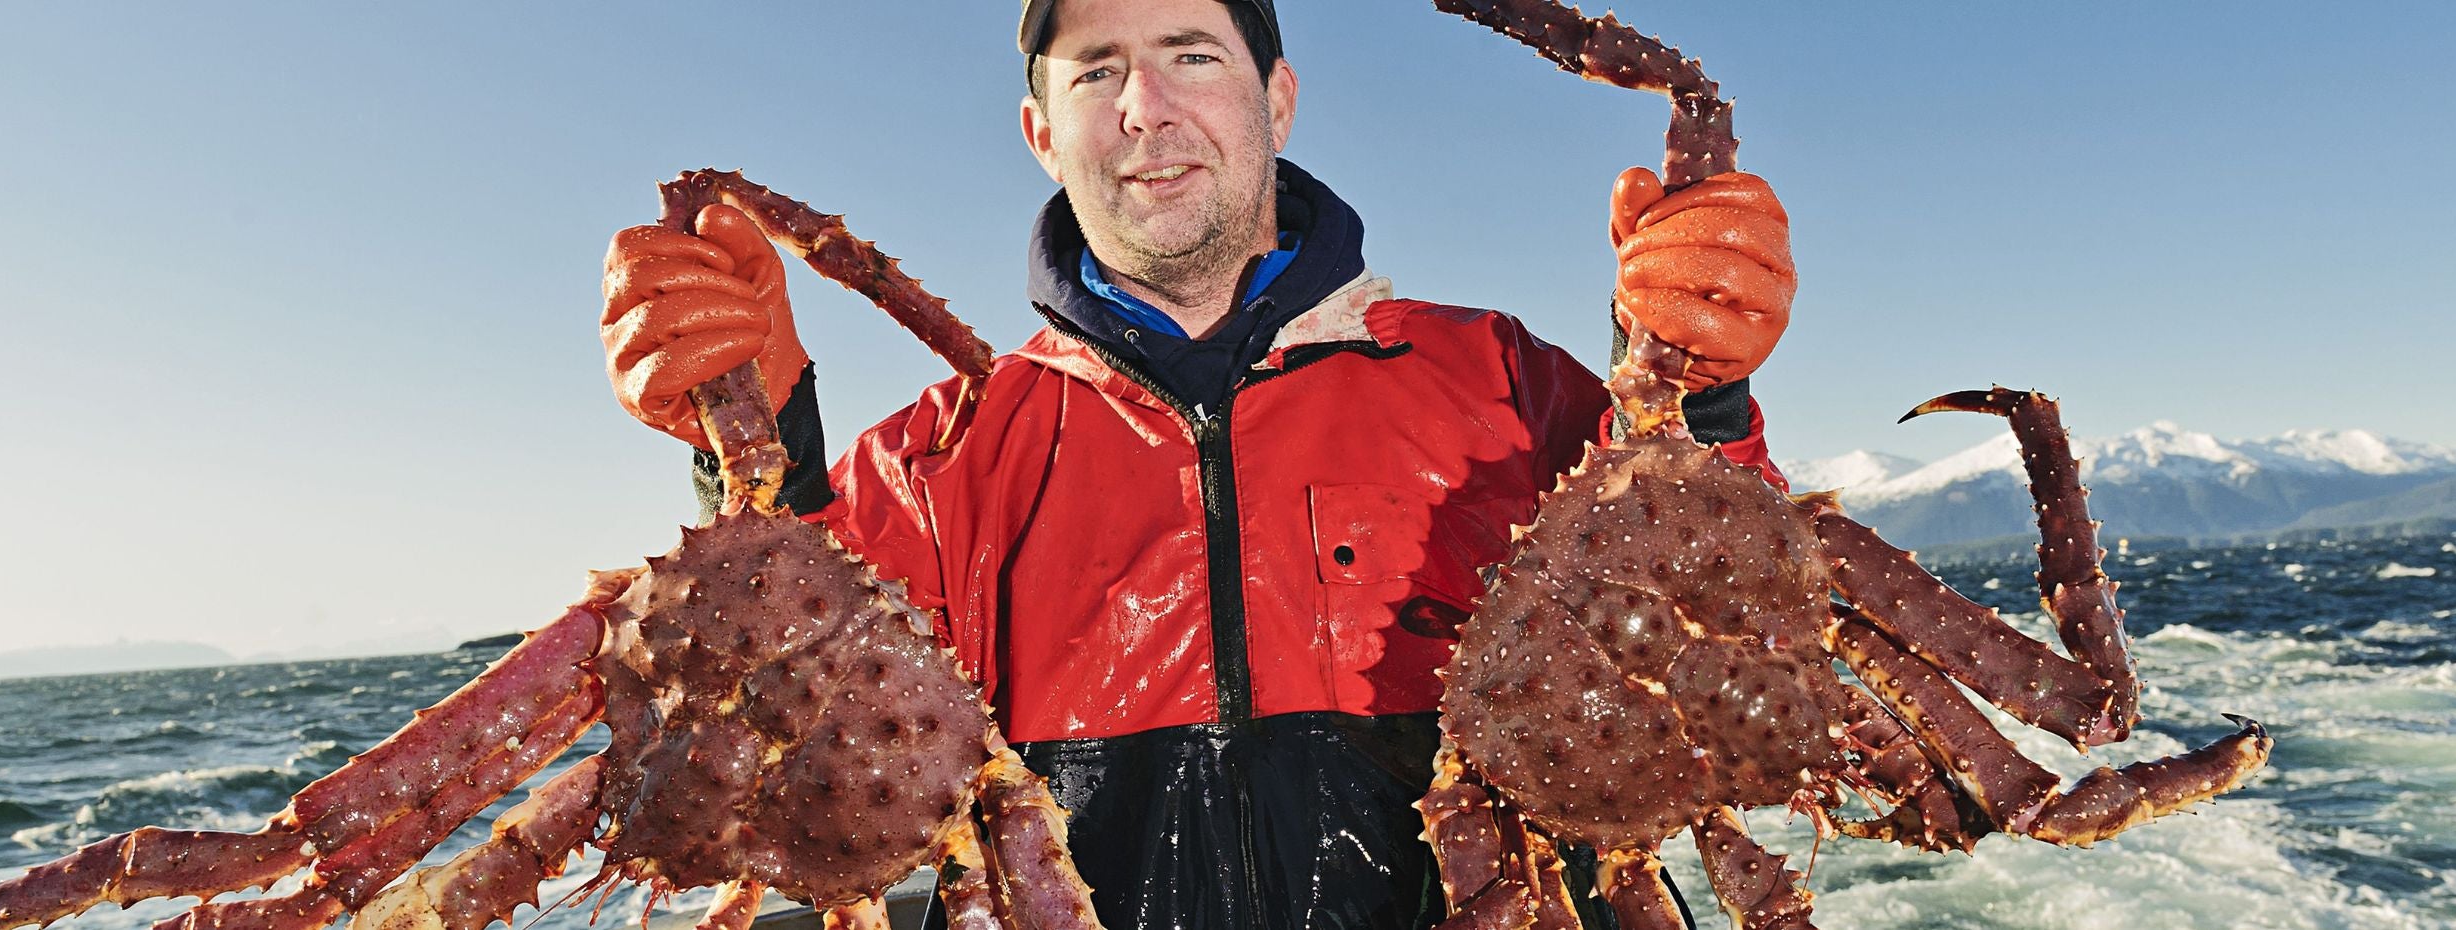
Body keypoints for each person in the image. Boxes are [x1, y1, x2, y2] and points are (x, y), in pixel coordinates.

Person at [597, 1, 1794, 926]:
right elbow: (787, 728)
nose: (1144, 108)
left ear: (1277, 101)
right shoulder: (933, 461)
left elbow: (1734, 629)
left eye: (1192, 56)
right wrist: (751, 432)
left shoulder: (1505, 382)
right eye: (1095, 71)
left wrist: (1709, 397)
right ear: (1040, 131)